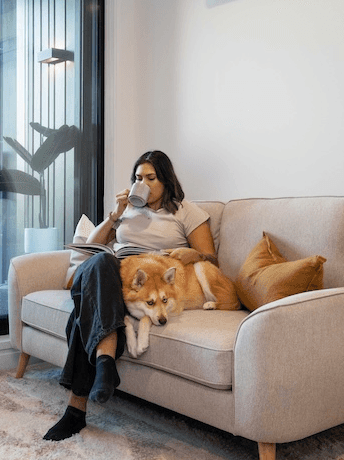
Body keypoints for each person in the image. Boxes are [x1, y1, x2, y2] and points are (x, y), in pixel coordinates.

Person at [43, 150, 218, 441]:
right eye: (138, 178)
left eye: (151, 178)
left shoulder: (186, 211)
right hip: (110, 272)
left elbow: (212, 260)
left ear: (166, 180)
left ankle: (80, 404)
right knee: (100, 262)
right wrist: (115, 215)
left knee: (86, 310)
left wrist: (195, 254)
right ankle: (105, 366)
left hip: (143, 282)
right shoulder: (126, 212)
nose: (144, 183)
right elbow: (88, 249)